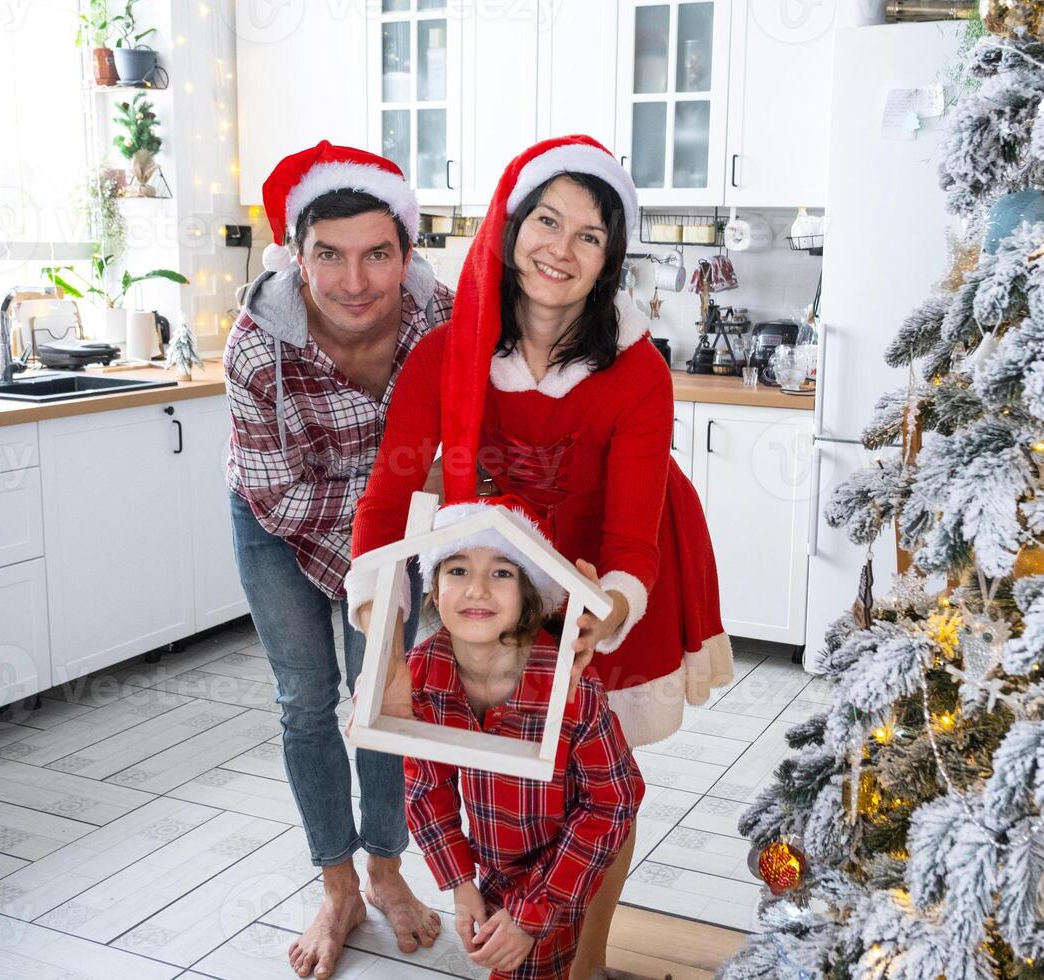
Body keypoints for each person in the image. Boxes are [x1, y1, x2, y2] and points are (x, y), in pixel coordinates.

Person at [347, 135, 732, 979]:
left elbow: (631, 537)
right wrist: (384, 636)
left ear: (609, 259)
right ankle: (518, 928)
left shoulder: (637, 373)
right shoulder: (441, 355)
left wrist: (611, 608)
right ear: (513, 227)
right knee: (505, 778)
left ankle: (585, 965)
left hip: (603, 583)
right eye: (547, 220)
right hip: (494, 588)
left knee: (601, 784)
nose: (561, 247)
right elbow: (389, 500)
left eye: (589, 235)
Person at [224, 141, 454, 980]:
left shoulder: (444, 321)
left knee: (383, 700)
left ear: (406, 253)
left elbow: (456, 453)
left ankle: (387, 871)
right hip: (276, 521)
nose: (355, 282)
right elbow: (281, 497)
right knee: (306, 704)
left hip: (392, 529)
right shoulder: (255, 347)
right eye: (330, 255)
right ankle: (337, 887)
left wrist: (401, 532)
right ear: (297, 255)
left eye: (376, 255)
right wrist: (393, 508)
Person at [399, 495, 644, 980]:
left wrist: (534, 913)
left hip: (558, 874)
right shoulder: (425, 671)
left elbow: (614, 801)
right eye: (458, 570)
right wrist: (460, 883)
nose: (477, 590)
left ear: (528, 596)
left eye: (502, 573)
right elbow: (428, 786)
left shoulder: (569, 686)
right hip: (486, 866)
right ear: (433, 587)